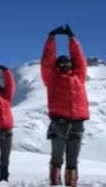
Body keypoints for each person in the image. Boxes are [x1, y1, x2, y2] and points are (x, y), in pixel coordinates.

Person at [41, 24, 89, 187]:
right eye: (62, 64)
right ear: (57, 66)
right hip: (59, 123)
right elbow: (47, 61)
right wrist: (51, 39)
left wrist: (72, 39)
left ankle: (71, 183)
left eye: (68, 63)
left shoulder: (79, 76)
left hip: (77, 122)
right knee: (57, 157)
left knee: (73, 159)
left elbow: (79, 59)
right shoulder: (52, 78)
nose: (65, 66)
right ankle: (55, 183)